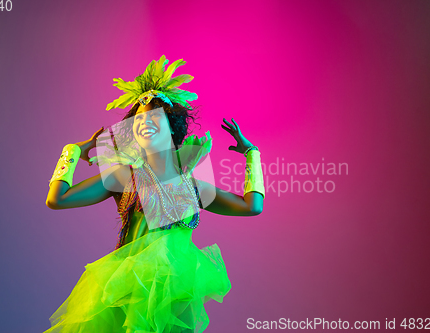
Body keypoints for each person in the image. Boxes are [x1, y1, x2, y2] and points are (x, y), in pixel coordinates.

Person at [44, 55, 265, 333]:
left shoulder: (192, 185)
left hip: (176, 294)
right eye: (138, 118)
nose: (144, 121)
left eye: (154, 116)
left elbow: (251, 206)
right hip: (128, 290)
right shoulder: (124, 177)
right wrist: (72, 151)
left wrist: (251, 154)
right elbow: (57, 199)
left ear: (173, 127)